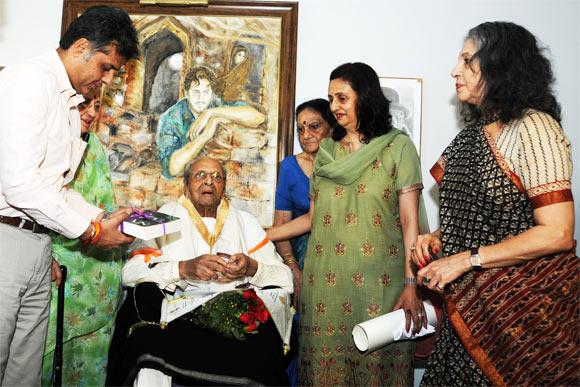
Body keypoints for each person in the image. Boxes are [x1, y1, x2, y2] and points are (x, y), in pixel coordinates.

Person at [411, 22, 578, 386]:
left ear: (500, 66)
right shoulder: (472, 136)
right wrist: (440, 237)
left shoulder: (535, 128)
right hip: (470, 312)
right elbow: (484, 213)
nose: (455, 70)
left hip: (527, 319)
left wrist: (466, 257)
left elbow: (558, 233)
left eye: (467, 60)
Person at [0, 6, 138, 385]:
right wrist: (91, 232)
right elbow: (20, 184)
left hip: (37, 242)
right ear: (80, 47)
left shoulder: (68, 101)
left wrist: (102, 216)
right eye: (105, 67)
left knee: (23, 372)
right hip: (5, 240)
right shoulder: (31, 80)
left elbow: (55, 188)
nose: (106, 80)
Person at [267, 62, 427, 386]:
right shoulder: (326, 151)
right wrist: (260, 236)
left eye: (342, 98)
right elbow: (312, 219)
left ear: (364, 97)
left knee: (376, 371)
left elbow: (411, 221)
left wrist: (411, 286)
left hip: (381, 287)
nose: (334, 107)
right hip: (324, 287)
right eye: (331, 99)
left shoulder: (398, 148)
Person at [106, 157, 294, 386]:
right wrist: (183, 269)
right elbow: (131, 273)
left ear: (224, 186)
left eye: (217, 177)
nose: (209, 182)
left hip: (234, 321)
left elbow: (285, 278)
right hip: (177, 318)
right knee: (146, 325)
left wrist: (251, 268)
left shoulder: (246, 223)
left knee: (263, 345)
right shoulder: (164, 217)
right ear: (185, 185)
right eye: (200, 175)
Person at [41, 95, 127, 386]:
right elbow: (42, 205)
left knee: (88, 371)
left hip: (99, 275)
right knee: (36, 362)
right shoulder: (47, 142)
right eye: (83, 105)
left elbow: (98, 202)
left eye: (97, 107)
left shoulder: (94, 146)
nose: (91, 113)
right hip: (57, 274)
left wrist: (122, 220)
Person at [273, 99, 334, 386]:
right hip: (301, 258)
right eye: (300, 129)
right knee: (300, 336)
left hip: (338, 260)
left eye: (314, 126)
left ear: (331, 127)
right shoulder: (289, 167)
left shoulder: (344, 163)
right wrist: (293, 269)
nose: (306, 134)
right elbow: (281, 227)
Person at [156, 66, 265, 179]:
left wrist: (211, 113)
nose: (201, 98)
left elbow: (258, 118)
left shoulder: (215, 104)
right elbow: (172, 168)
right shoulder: (172, 118)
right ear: (186, 93)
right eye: (196, 92)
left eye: (206, 92)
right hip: (187, 179)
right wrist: (205, 136)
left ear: (212, 93)